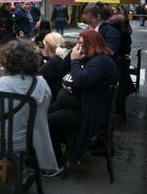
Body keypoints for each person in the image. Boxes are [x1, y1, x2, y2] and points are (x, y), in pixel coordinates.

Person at [0, 39, 59, 175]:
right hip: (31, 142)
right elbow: (40, 114)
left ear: (6, 60)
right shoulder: (41, 83)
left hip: (0, 139)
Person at [48, 30, 118, 171]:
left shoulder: (102, 61)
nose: (78, 47)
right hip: (80, 105)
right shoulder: (89, 57)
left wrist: (75, 61)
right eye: (77, 43)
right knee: (44, 112)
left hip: (90, 112)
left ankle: (57, 161)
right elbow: (63, 70)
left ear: (91, 44)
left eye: (81, 43)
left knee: (48, 121)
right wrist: (71, 54)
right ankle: (51, 154)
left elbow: (81, 80)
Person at [38, 32, 69, 102]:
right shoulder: (64, 57)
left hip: (54, 99)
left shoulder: (54, 62)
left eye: (44, 45)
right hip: (62, 96)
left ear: (48, 46)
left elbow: (37, 77)